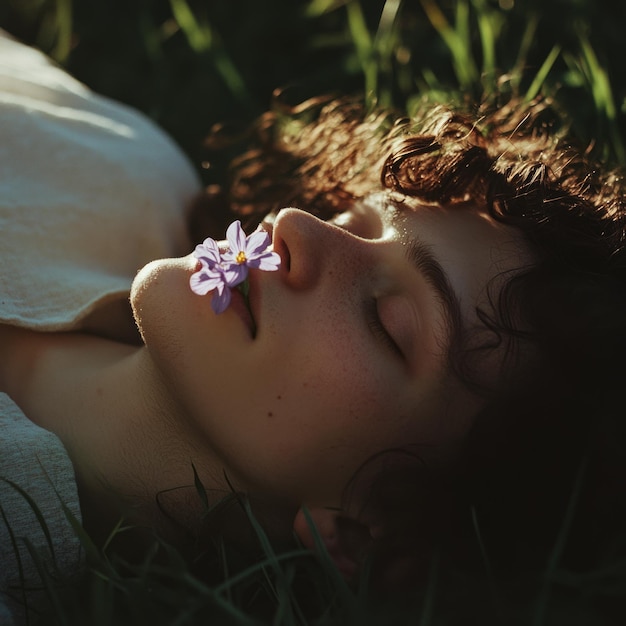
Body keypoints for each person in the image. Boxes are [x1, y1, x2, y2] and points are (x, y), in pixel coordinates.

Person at [1, 29, 625, 624]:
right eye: (352, 218)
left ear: (361, 529)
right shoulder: (123, 163)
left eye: (386, 321)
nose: (296, 226)